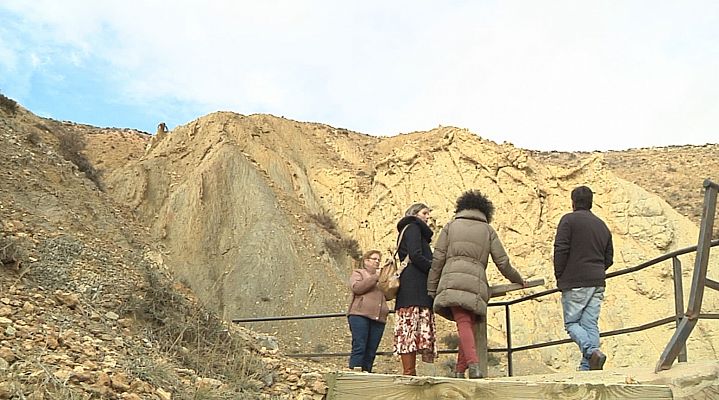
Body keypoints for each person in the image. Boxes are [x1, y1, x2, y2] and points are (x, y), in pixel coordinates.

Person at [428, 190, 527, 379]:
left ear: (462, 207)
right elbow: (502, 262)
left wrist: (431, 288)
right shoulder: (488, 230)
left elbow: (437, 260)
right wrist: (517, 279)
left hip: (452, 280)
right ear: (485, 211)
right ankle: (461, 369)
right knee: (468, 324)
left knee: (464, 323)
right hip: (476, 284)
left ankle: (471, 366)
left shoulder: (450, 227)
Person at [553, 185, 614, 371]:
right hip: (597, 281)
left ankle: (591, 352)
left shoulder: (568, 221)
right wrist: (597, 270)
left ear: (573, 202)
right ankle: (588, 367)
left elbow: (560, 249)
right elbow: (609, 258)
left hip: (575, 281)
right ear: (591, 202)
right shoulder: (601, 225)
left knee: (571, 323)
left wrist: (560, 275)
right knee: (590, 324)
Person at [393, 203, 437, 376]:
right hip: (414, 285)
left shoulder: (410, 229)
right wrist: (432, 269)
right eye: (424, 213)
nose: (427, 217)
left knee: (410, 326)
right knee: (410, 325)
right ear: (415, 214)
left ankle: (410, 371)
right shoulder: (413, 228)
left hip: (413, 284)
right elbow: (416, 255)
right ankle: (409, 372)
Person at [347, 250, 389, 372]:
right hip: (360, 315)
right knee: (360, 345)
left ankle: (366, 373)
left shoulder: (382, 279)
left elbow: (388, 294)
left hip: (378, 318)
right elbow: (357, 288)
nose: (377, 262)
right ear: (366, 261)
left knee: (371, 350)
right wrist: (376, 277)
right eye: (374, 259)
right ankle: (355, 372)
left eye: (378, 260)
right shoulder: (358, 273)